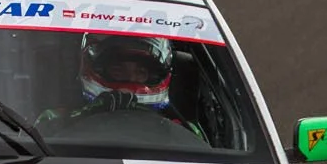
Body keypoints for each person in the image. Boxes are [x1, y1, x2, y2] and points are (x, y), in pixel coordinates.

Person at [38, 33, 203, 137]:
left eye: (140, 73)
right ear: (97, 68)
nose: (129, 78)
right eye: (119, 71)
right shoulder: (55, 118)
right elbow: (36, 140)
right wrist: (88, 114)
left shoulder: (182, 130)